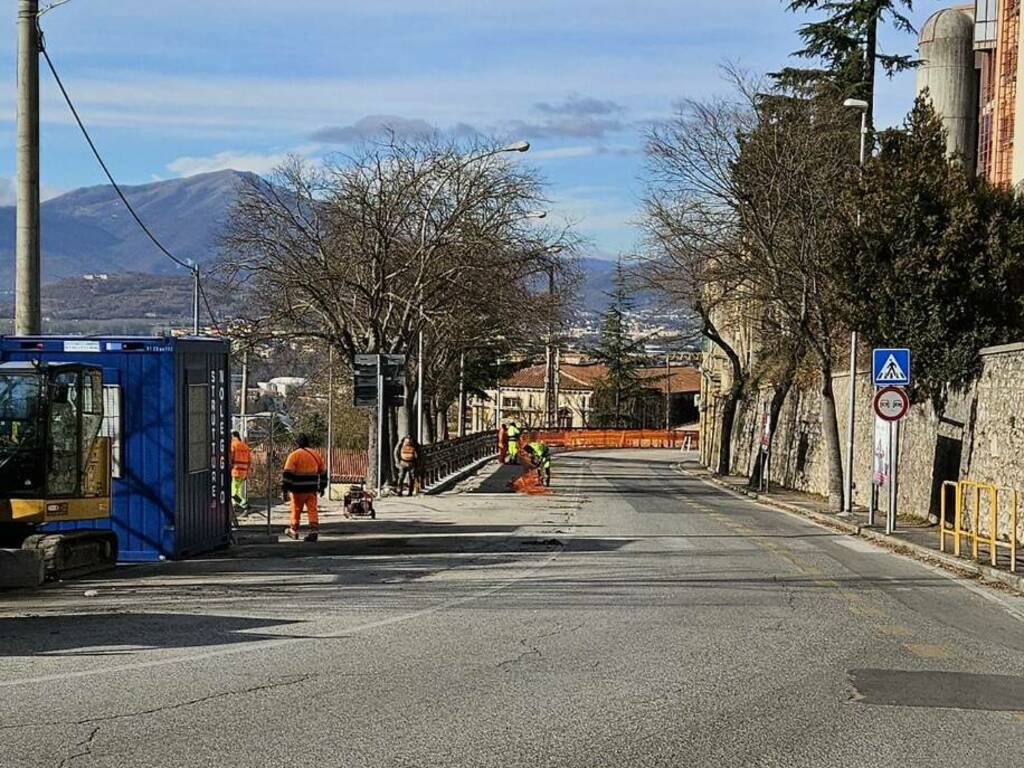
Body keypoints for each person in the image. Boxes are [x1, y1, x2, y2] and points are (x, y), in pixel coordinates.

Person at [281, 433, 327, 542]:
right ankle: (313, 530)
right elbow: (323, 472)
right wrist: (322, 486)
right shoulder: (316, 454)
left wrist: (285, 488)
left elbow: (288, 474)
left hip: (297, 489)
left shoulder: (294, 455)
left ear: (297, 443)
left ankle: (294, 530)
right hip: (312, 489)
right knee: (312, 509)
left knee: (296, 509)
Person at [230, 430, 251, 513]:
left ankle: (243, 504)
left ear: (232, 436)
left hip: (235, 471)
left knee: (233, 493)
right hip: (243, 472)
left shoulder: (233, 445)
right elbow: (249, 461)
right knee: (238, 490)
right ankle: (238, 504)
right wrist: (247, 473)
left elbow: (230, 458)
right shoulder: (245, 446)